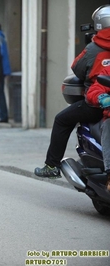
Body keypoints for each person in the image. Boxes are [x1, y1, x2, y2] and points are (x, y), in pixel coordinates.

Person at [34, 5, 110, 178]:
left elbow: (77, 68)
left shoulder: (94, 48)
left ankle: (52, 166)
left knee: (61, 120)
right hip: (103, 100)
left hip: (95, 103)